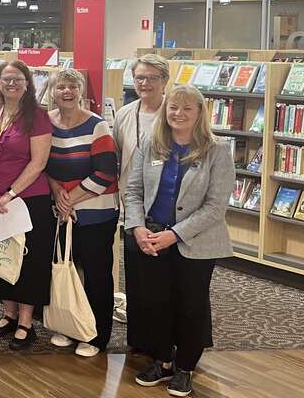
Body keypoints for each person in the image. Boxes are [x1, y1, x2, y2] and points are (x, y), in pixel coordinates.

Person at [124, 85, 234, 397]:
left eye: (187, 108)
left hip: (194, 243)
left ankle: (185, 367)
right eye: (173, 107)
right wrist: (136, 227)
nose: (178, 114)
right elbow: (133, 191)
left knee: (191, 306)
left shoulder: (217, 150)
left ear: (200, 113)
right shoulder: (152, 143)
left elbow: (215, 207)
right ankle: (162, 361)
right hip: (151, 238)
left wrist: (175, 234)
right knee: (155, 303)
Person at [0, 59, 54, 350]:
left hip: (28, 199)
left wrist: (9, 193)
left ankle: (25, 322)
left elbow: (38, 162)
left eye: (17, 79)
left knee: (27, 260)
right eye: (6, 79)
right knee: (0, 257)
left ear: (27, 84)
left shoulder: (38, 116)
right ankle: (7, 314)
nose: (11, 84)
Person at [45, 68, 119, 357]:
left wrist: (70, 200)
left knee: (96, 273)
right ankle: (70, 326)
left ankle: (96, 335)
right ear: (52, 91)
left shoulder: (97, 126)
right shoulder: (46, 123)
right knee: (68, 271)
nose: (67, 91)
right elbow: (43, 164)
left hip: (95, 211)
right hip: (62, 210)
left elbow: (106, 172)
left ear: (81, 92)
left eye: (73, 87)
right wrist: (56, 194)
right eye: (61, 86)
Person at [113, 54, 169, 328]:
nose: (145, 83)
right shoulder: (125, 113)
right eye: (139, 78)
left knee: (163, 276)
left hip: (166, 208)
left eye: (152, 78)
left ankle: (163, 334)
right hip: (131, 205)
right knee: (135, 273)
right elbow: (116, 156)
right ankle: (139, 333)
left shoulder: (175, 113)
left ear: (165, 81)